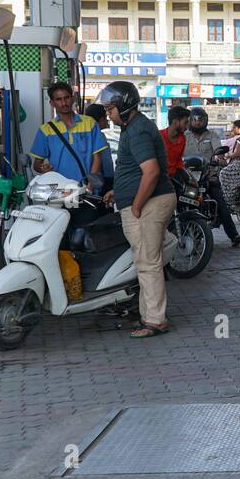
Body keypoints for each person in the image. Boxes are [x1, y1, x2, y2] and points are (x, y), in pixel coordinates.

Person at [97, 82, 177, 339]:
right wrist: (119, 192)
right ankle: (148, 314)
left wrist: (137, 205)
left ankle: (155, 320)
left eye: (111, 108)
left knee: (148, 262)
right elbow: (134, 170)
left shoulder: (138, 130)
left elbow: (151, 172)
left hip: (150, 203)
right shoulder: (133, 127)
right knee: (145, 260)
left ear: (124, 105)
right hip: (145, 201)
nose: (108, 114)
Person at [185, 107, 240, 247]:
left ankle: (233, 234)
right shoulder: (184, 136)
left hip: (208, 175)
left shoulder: (212, 136)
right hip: (187, 177)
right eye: (195, 120)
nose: (198, 123)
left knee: (220, 203)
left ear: (205, 121)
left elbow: (219, 153)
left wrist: (219, 159)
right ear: (190, 121)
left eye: (201, 120)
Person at [30, 82, 106, 187]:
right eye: (58, 99)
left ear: (73, 98)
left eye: (67, 98)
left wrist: (91, 184)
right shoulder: (45, 130)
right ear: (52, 103)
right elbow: (37, 164)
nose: (64, 103)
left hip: (86, 189)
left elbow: (97, 157)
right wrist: (43, 168)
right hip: (58, 192)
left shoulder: (90, 123)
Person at [83, 103, 116, 195]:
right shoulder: (100, 136)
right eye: (106, 117)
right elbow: (106, 165)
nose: (107, 121)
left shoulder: (82, 135)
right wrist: (110, 183)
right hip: (98, 186)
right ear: (101, 119)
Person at [161, 106, 190, 177]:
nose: (187, 127)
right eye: (185, 122)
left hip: (174, 177)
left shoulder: (182, 139)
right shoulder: (158, 136)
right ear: (176, 122)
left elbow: (178, 160)